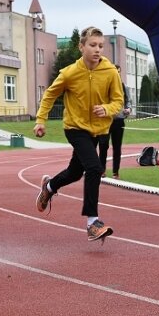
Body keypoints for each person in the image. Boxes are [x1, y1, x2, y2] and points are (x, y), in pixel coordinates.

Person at [33, 26, 123, 242]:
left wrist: (108, 109)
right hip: (74, 127)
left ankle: (50, 186)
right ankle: (92, 222)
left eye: (101, 46)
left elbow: (118, 101)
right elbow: (49, 95)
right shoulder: (70, 73)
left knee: (74, 172)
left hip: (97, 130)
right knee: (94, 168)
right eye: (92, 45)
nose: (97, 50)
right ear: (81, 46)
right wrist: (40, 121)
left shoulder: (110, 72)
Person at [98, 64, 131, 179]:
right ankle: (101, 170)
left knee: (117, 147)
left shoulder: (123, 86)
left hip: (119, 120)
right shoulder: (104, 86)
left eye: (118, 72)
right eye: (115, 72)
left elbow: (128, 101)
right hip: (106, 121)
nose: (116, 74)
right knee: (103, 145)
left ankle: (115, 172)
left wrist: (128, 109)